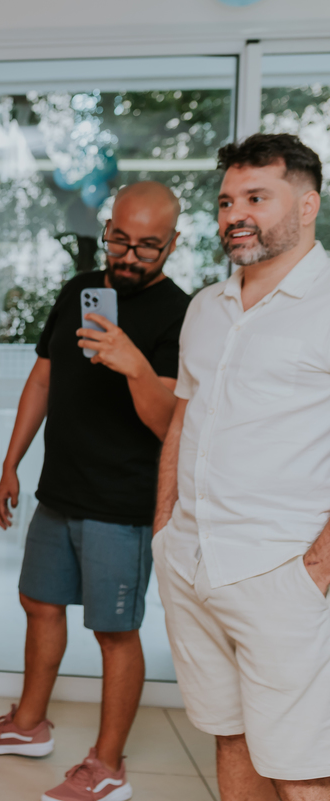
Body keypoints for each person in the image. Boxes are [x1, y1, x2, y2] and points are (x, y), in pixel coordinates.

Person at [0, 181, 191, 801]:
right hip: (57, 490)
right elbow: (42, 377)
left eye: (148, 246)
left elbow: (169, 420)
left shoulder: (180, 313)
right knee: (38, 602)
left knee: (115, 632)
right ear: (107, 229)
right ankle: (28, 725)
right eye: (120, 239)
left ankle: (106, 764)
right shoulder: (76, 290)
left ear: (172, 244)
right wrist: (10, 465)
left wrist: (132, 361)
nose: (129, 255)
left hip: (122, 502)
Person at [155, 133, 330, 801]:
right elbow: (184, 416)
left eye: (257, 197)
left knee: (301, 766)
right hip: (192, 560)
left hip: (281, 570)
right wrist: (164, 524)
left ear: (307, 204)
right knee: (231, 736)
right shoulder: (207, 306)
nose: (235, 214)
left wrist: (317, 566)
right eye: (227, 200)